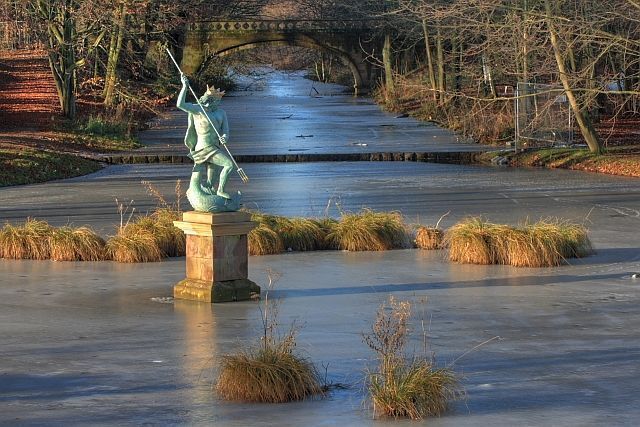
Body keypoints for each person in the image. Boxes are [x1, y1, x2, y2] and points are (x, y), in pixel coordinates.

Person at [177, 74, 233, 199]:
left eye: (219, 101)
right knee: (229, 165)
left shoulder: (221, 113)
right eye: (216, 100)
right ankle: (221, 191)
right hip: (203, 148)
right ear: (210, 100)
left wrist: (224, 137)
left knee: (210, 183)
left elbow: (226, 131)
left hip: (215, 147)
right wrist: (185, 87)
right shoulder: (198, 110)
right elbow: (180, 104)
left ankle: (210, 199)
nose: (218, 103)